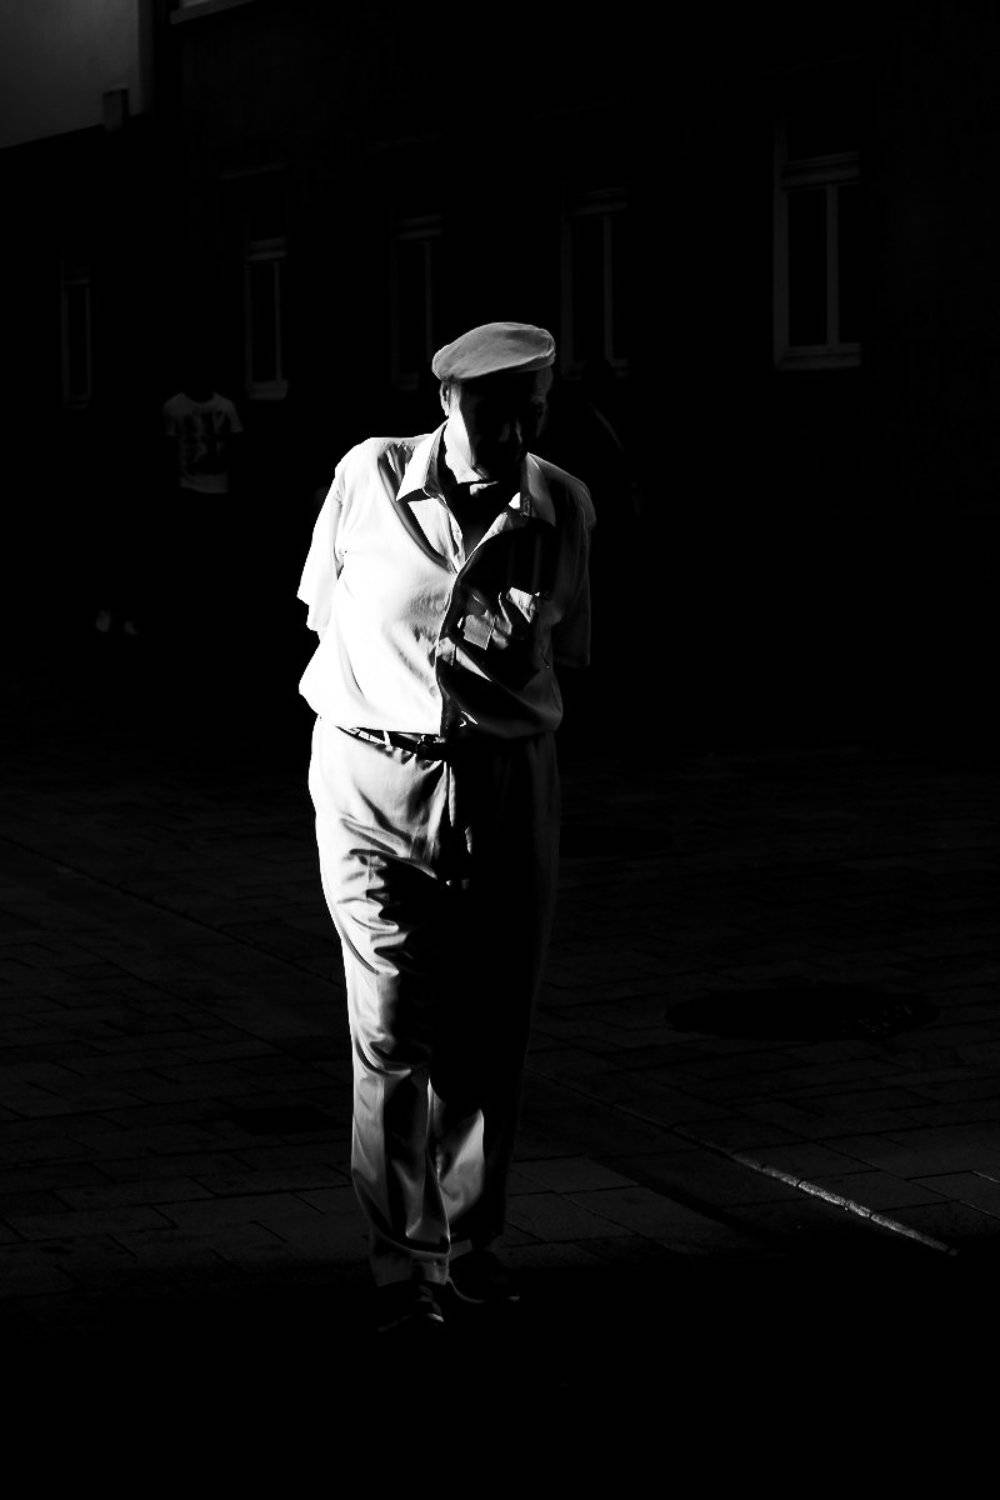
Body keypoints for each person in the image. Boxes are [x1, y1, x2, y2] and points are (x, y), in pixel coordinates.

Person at [298, 321, 594, 1335]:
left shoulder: (559, 504)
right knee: (389, 1024)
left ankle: (470, 1241)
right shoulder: (366, 476)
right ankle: (403, 1262)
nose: (516, 430)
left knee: (490, 1027)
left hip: (505, 783)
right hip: (369, 776)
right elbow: (321, 611)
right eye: (494, 409)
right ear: (446, 403)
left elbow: (565, 646)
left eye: (533, 408)